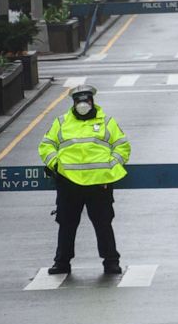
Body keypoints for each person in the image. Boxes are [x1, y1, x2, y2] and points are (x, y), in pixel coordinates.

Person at [38, 84, 131, 276]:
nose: (83, 104)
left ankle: (111, 261)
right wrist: (56, 165)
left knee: (103, 223)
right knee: (66, 223)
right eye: (79, 100)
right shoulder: (62, 122)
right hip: (68, 182)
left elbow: (122, 146)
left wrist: (110, 167)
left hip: (99, 182)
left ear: (92, 101)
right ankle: (62, 262)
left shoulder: (107, 122)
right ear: (74, 103)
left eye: (86, 100)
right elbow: (46, 145)